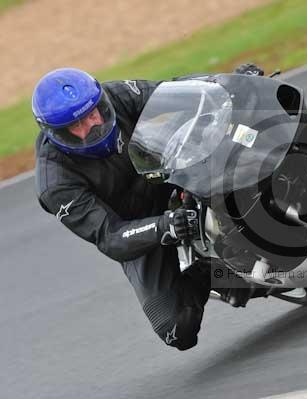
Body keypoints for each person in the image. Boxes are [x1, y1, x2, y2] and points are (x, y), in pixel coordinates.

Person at [33, 64, 264, 351]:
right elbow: (110, 237)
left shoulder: (115, 94)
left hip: (171, 171)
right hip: (138, 226)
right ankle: (210, 273)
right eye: (76, 126)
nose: (92, 125)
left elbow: (177, 92)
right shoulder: (55, 183)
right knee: (177, 329)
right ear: (56, 134)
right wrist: (164, 226)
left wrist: (229, 83)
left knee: (233, 139)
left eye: (93, 113)